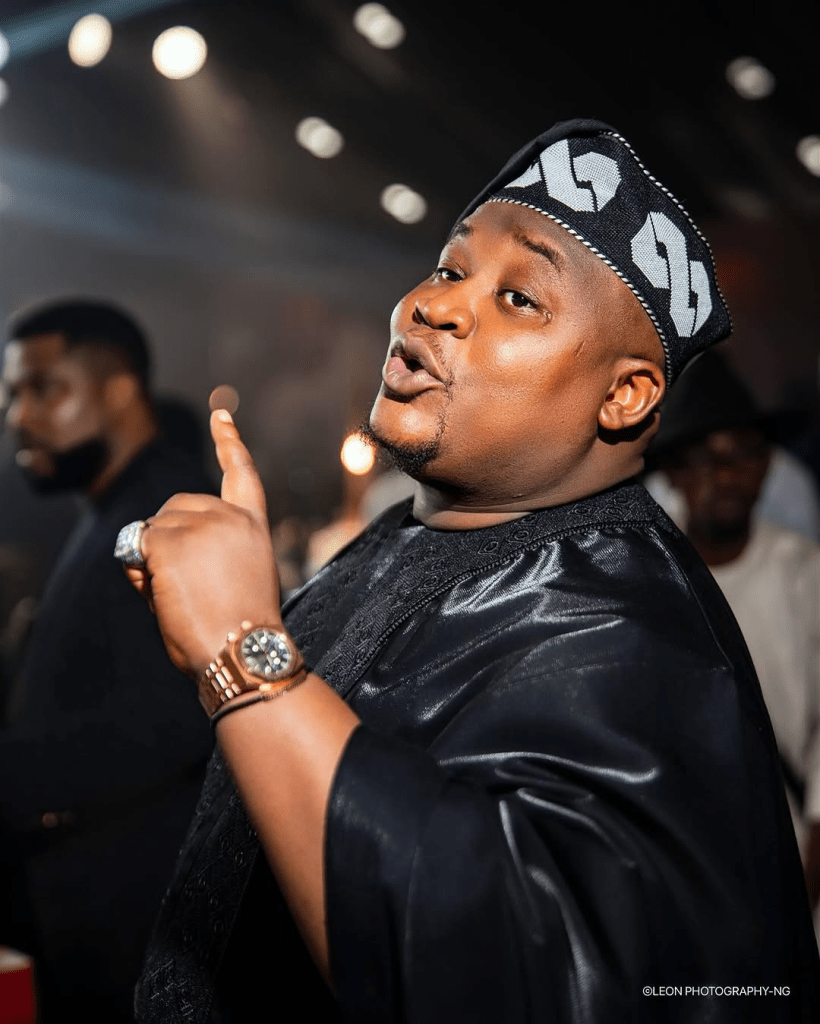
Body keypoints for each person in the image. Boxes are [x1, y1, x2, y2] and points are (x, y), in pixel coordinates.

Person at [125, 119, 819, 1022]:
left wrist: (243, 648)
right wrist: (236, 609)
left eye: (520, 298)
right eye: (451, 269)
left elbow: (507, 971)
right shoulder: (409, 531)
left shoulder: (637, 639)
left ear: (624, 395)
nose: (433, 306)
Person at [0, 300, 215, 1022]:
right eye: (10, 395)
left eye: (43, 389)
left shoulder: (169, 514)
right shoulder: (110, 506)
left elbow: (177, 720)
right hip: (92, 912)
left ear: (120, 390)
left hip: (137, 923)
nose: (18, 416)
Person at [646, 348, 820, 917]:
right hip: (677, 859)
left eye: (743, 454)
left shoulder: (805, 573)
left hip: (790, 850)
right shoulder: (646, 576)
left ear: (766, 467)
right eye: (704, 458)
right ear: (674, 474)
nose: (725, 475)